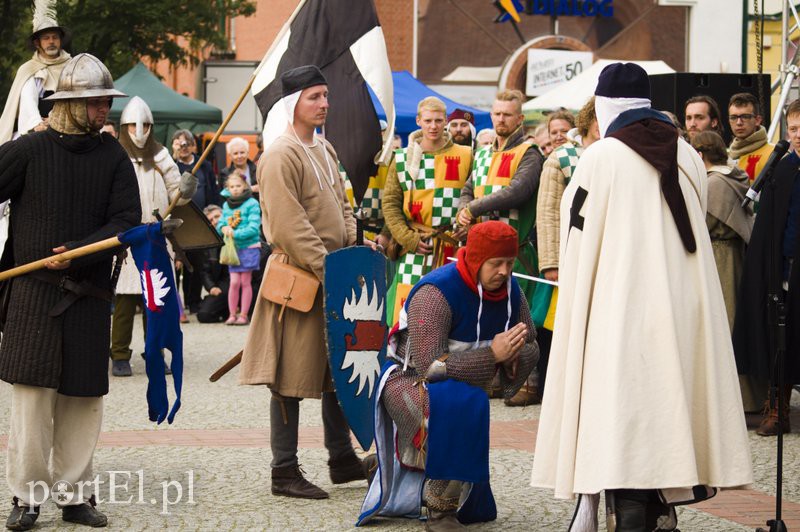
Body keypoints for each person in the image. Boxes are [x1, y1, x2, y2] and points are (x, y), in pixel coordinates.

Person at [531, 63, 753, 530]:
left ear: (606, 106)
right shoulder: (688, 153)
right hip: (679, 307)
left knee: (625, 409)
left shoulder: (602, 156)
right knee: (668, 401)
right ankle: (660, 507)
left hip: (621, 308)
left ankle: (633, 511)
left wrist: (578, 297)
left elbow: (577, 239)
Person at [0, 53, 142, 530]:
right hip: (33, 293)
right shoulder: (29, 150)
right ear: (69, 103)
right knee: (32, 402)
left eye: (106, 102)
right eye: (96, 102)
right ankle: (26, 496)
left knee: (83, 400)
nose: (105, 110)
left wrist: (79, 251)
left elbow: (126, 221)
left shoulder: (113, 155)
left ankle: (75, 494)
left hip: (89, 294)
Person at [239, 65, 370, 499]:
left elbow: (343, 205)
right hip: (297, 279)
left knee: (336, 367)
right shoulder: (281, 155)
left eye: (326, 96)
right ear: (292, 103)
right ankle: (283, 470)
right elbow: (290, 227)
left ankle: (342, 459)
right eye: (314, 96)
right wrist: (329, 269)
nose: (324, 104)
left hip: (332, 273)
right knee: (289, 376)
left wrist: (351, 250)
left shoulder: (325, 149)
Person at [358, 221, 539, 530]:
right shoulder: (436, 292)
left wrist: (517, 354)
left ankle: (388, 466)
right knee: (456, 407)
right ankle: (441, 510)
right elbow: (432, 367)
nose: (505, 271)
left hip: (461, 385)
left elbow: (530, 341)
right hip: (408, 379)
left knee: (464, 401)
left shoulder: (511, 292)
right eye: (496, 263)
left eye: (509, 263)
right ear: (476, 259)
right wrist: (493, 355)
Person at [508, 97, 599, 409]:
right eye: (555, 130)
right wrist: (550, 263)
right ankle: (547, 387)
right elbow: (547, 215)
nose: (559, 134)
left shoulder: (607, 154)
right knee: (552, 324)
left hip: (596, 257)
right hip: (563, 257)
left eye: (564, 129)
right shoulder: (560, 158)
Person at [110, 96, 194, 377]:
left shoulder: (160, 156)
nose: (139, 131)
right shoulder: (115, 155)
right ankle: (119, 355)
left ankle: (155, 351)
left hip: (157, 235)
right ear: (125, 127)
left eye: (144, 124)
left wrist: (185, 190)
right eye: (133, 126)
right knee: (123, 304)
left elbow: (175, 196)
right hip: (127, 237)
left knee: (155, 301)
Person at [733, 97, 800, 436]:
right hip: (784, 268)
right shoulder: (781, 168)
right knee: (779, 338)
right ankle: (777, 407)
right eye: (793, 128)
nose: (798, 134)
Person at [382, 96, 473, 324]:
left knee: (451, 311)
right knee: (407, 313)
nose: (433, 126)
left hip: (452, 247)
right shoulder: (401, 158)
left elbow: (474, 195)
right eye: (428, 120)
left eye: (438, 121)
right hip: (416, 246)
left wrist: (470, 227)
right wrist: (407, 238)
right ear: (418, 121)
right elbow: (391, 204)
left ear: (446, 122)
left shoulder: (465, 154)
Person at [457, 89, 545, 319]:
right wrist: (463, 211)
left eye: (507, 114)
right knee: (480, 319)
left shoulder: (529, 152)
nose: (501, 119)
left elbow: (517, 192)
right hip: (481, 255)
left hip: (514, 257)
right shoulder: (483, 154)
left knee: (513, 323)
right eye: (497, 113)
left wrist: (473, 208)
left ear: (520, 119)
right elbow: (468, 188)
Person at [0, 6, 71, 143]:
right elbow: (28, 100)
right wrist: (37, 124)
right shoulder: (29, 70)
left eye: (55, 37)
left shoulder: (72, 66)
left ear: (60, 41)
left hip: (69, 126)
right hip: (40, 132)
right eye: (46, 38)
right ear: (37, 43)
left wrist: (56, 119)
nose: (51, 41)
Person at [171, 129, 218, 315]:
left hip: (200, 220)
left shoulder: (203, 165)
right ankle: (176, 305)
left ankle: (194, 301)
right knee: (176, 263)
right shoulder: (171, 166)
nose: (183, 147)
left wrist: (213, 212)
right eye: (179, 143)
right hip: (178, 222)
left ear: (193, 146)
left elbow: (213, 192)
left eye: (187, 143)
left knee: (198, 263)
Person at [216, 173, 261, 325]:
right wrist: (223, 228)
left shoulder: (252, 203)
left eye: (238, 186)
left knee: (245, 281)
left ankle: (243, 314)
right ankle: (231, 314)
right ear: (227, 189)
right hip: (232, 249)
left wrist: (234, 233)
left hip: (249, 247)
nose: (235, 189)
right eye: (232, 187)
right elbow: (220, 223)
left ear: (245, 186)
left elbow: (254, 228)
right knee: (234, 282)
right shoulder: (226, 205)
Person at [728, 92, 774, 182]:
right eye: (733, 117)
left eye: (745, 117)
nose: (739, 122)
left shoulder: (774, 154)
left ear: (757, 120)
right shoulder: (726, 157)